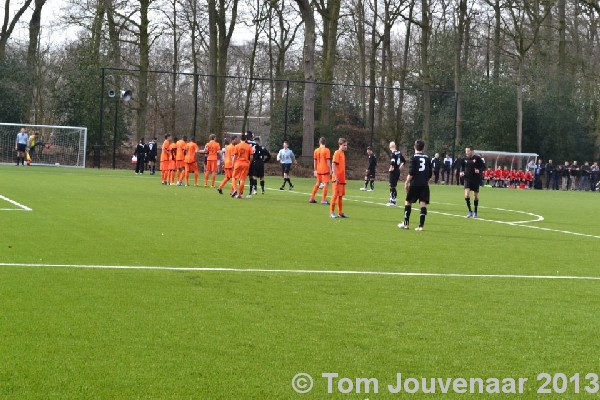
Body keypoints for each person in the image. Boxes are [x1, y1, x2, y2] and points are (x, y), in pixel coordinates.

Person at [398, 140, 432, 231]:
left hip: (415, 184)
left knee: (408, 201)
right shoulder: (428, 158)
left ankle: (406, 224)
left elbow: (411, 172)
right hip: (424, 184)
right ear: (423, 148)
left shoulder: (414, 158)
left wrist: (406, 182)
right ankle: (421, 226)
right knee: (423, 203)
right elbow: (430, 174)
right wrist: (425, 180)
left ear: (414, 147)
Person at [460, 145, 485, 218]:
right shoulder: (463, 159)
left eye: (468, 151)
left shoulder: (477, 158)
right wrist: (461, 172)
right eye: (466, 151)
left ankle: (475, 212)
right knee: (467, 195)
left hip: (475, 179)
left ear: (472, 151)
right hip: (467, 179)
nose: (466, 152)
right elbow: (462, 167)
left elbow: (483, 167)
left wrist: (479, 170)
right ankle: (470, 211)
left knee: (475, 196)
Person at [231, 133, 254, 198]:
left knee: (234, 177)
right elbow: (251, 157)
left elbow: (235, 156)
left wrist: (233, 164)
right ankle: (239, 194)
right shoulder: (249, 146)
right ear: (246, 139)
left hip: (238, 163)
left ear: (240, 139)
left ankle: (235, 189)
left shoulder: (237, 146)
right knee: (242, 179)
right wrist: (249, 162)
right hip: (245, 163)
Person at [330, 138, 349, 218]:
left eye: (346, 145)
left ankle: (340, 213)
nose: (346, 147)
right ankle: (331, 213)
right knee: (335, 195)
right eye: (344, 145)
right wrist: (335, 176)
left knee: (340, 196)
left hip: (342, 178)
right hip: (337, 178)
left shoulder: (342, 153)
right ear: (340, 145)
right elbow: (333, 164)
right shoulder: (337, 153)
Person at [310, 137, 331, 204]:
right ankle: (323, 200)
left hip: (318, 169)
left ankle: (312, 198)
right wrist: (330, 169)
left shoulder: (316, 150)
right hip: (325, 169)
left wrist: (315, 170)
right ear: (325, 142)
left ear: (319, 142)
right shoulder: (327, 150)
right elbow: (328, 161)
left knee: (318, 183)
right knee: (326, 184)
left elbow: (314, 161)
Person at [386, 141, 405, 207]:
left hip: (394, 171)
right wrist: (400, 166)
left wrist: (391, 168)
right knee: (393, 186)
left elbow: (393, 162)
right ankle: (393, 200)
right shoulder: (399, 153)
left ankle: (392, 201)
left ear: (390, 147)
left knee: (392, 186)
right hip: (397, 171)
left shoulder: (393, 154)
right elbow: (404, 161)